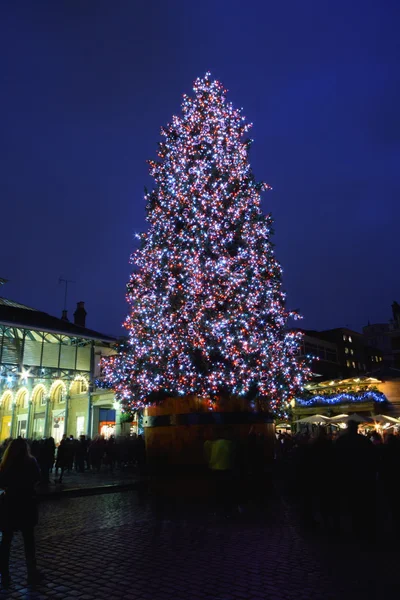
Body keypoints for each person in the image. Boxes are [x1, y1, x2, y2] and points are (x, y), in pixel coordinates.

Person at [0, 438, 41, 587]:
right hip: (26, 502)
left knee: (6, 540)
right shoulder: (30, 462)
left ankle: (4, 573)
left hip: (10, 503)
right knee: (28, 540)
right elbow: (37, 478)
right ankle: (31, 572)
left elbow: (2, 482)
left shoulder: (6, 463)